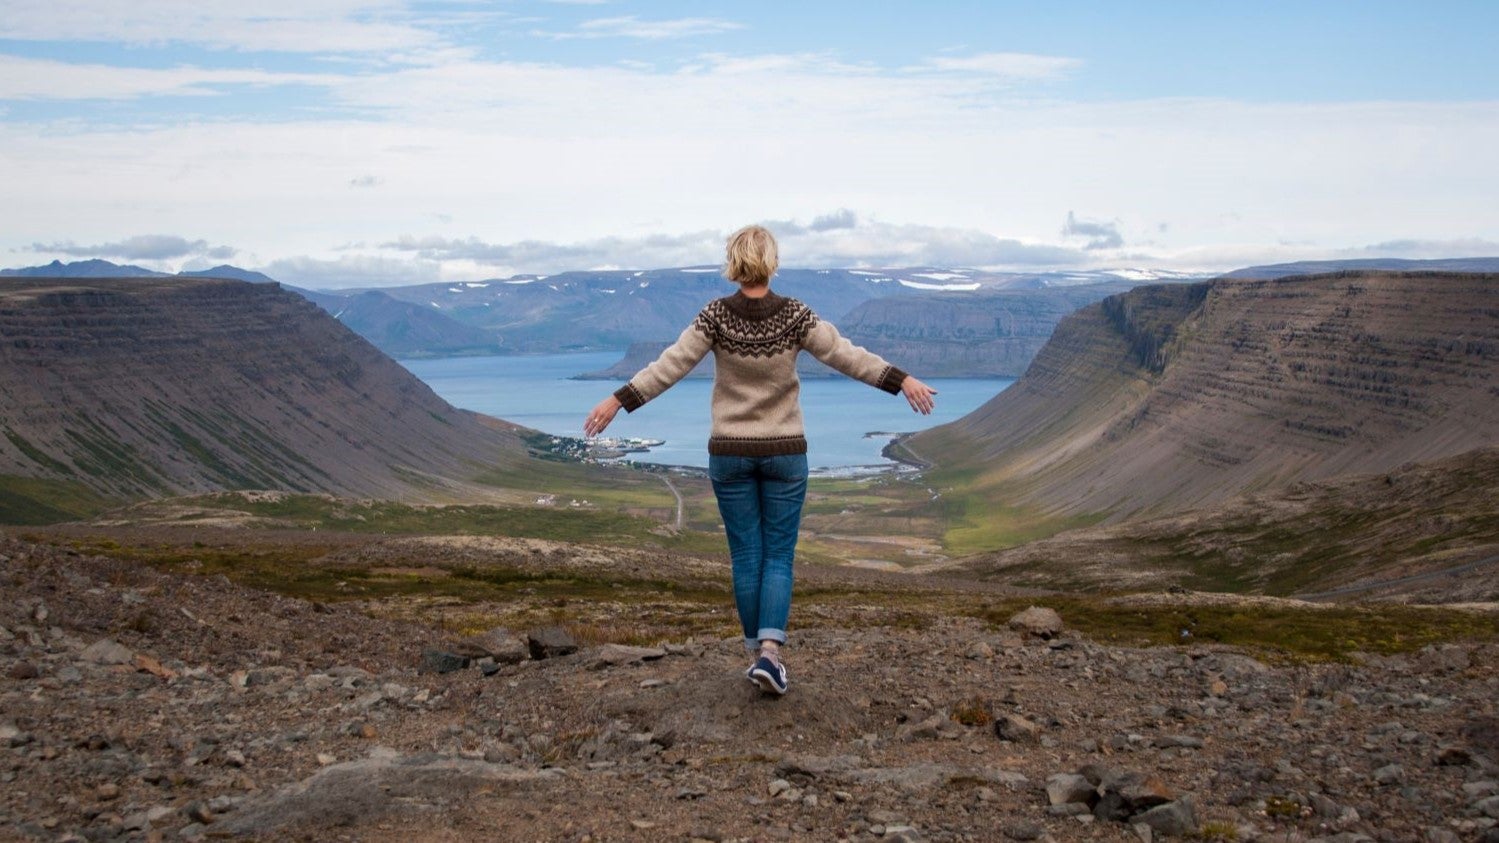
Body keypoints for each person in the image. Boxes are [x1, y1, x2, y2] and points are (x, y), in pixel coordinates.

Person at [584, 225, 937, 695]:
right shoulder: (794, 315)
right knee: (778, 555)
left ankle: (759, 658)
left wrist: (618, 400)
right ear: (772, 262)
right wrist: (902, 380)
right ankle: (771, 655)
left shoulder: (715, 316)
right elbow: (846, 356)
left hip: (729, 453)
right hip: (784, 452)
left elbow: (670, 366)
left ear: (733, 263)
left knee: (747, 555)